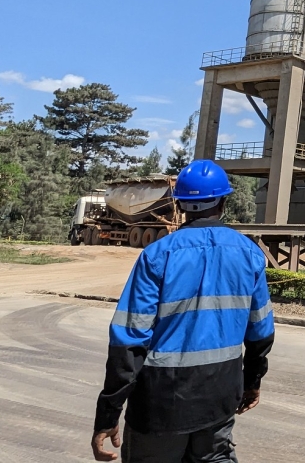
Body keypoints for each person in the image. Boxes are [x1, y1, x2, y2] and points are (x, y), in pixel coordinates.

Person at [91, 160, 275, 462]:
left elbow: (128, 341)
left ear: (182, 204)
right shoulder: (249, 254)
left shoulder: (157, 256)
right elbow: (261, 332)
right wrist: (251, 383)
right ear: (224, 202)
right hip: (220, 396)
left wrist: (108, 414)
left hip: (161, 403)